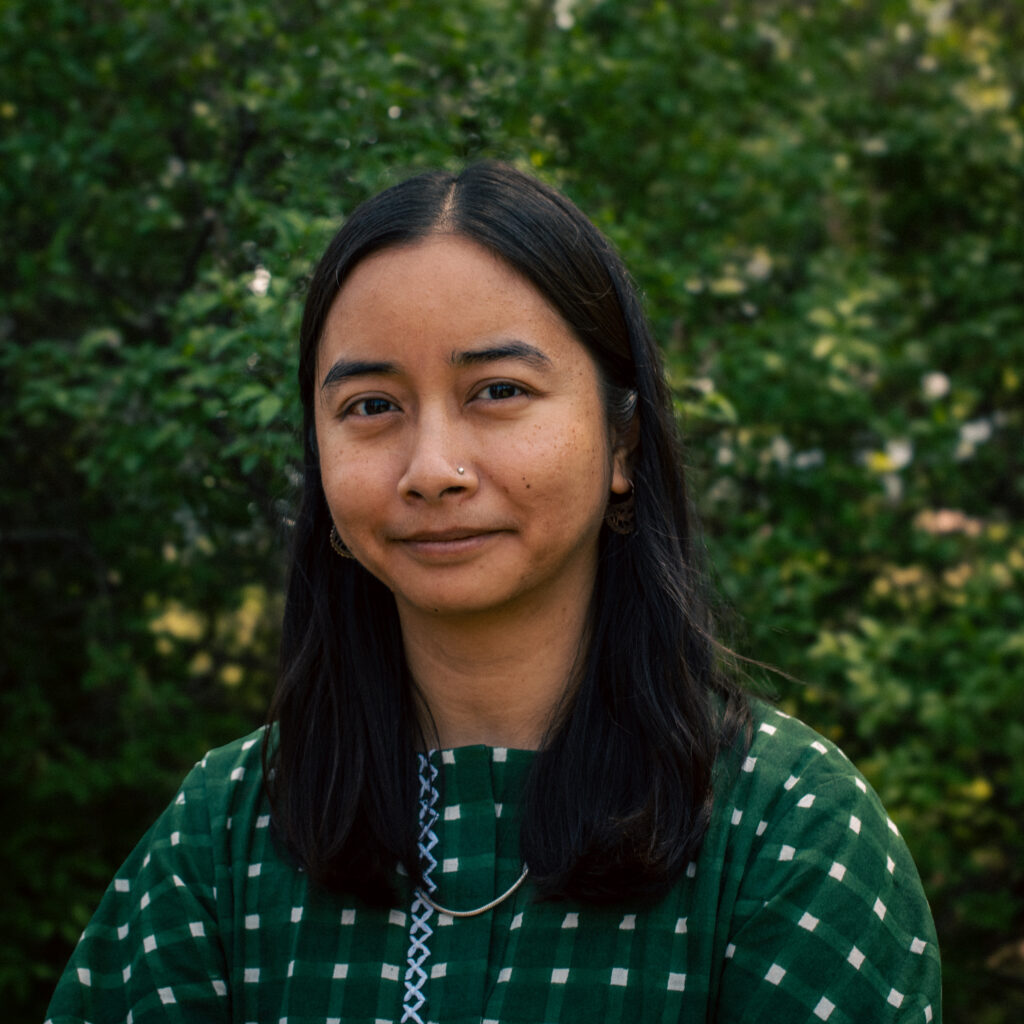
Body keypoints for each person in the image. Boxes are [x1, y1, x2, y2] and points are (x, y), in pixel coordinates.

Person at [46, 162, 941, 1023]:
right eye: (371, 406)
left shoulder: (789, 834)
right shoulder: (225, 832)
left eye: (498, 391)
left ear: (623, 442)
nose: (432, 469)